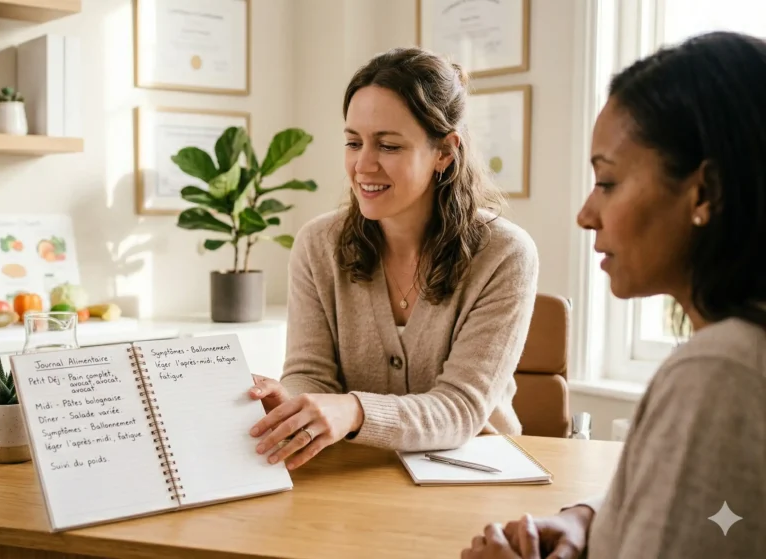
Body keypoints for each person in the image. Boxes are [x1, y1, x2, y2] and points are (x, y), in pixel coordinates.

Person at [461, 30, 766, 559]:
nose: (585, 214)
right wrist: (593, 517)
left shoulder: (718, 373)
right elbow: (712, 511)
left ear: (705, 192)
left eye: (607, 182)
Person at [246, 46, 540, 471]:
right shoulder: (317, 244)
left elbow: (460, 407)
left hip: (475, 477)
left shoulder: (505, 254)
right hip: (351, 476)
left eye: (388, 145)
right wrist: (293, 405)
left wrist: (353, 411)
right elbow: (311, 374)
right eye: (353, 142)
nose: (363, 165)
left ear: (444, 152)